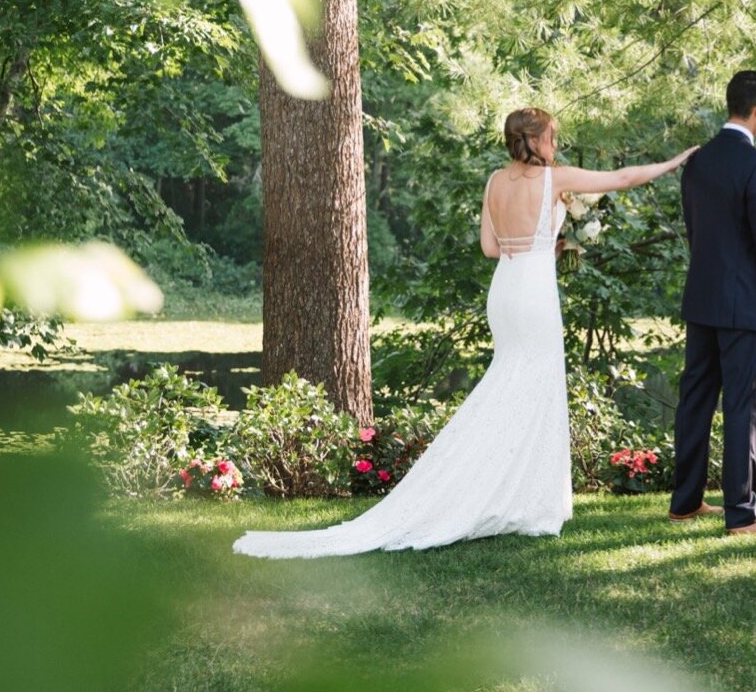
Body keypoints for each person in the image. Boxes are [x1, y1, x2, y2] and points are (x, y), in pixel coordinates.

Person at [233, 108, 696, 558]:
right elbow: (622, 179)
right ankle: (524, 502)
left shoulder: (495, 181)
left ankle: (508, 493)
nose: (556, 145)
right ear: (533, 141)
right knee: (533, 389)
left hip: (506, 290)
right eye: (552, 137)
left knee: (510, 384)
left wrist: (541, 245)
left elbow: (490, 247)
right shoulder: (556, 180)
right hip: (534, 292)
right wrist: (677, 161)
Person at [668, 69, 756, 537]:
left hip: (701, 295)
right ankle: (742, 514)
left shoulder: (698, 162)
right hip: (743, 302)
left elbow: (695, 231)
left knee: (696, 400)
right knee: (743, 405)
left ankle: (684, 503)